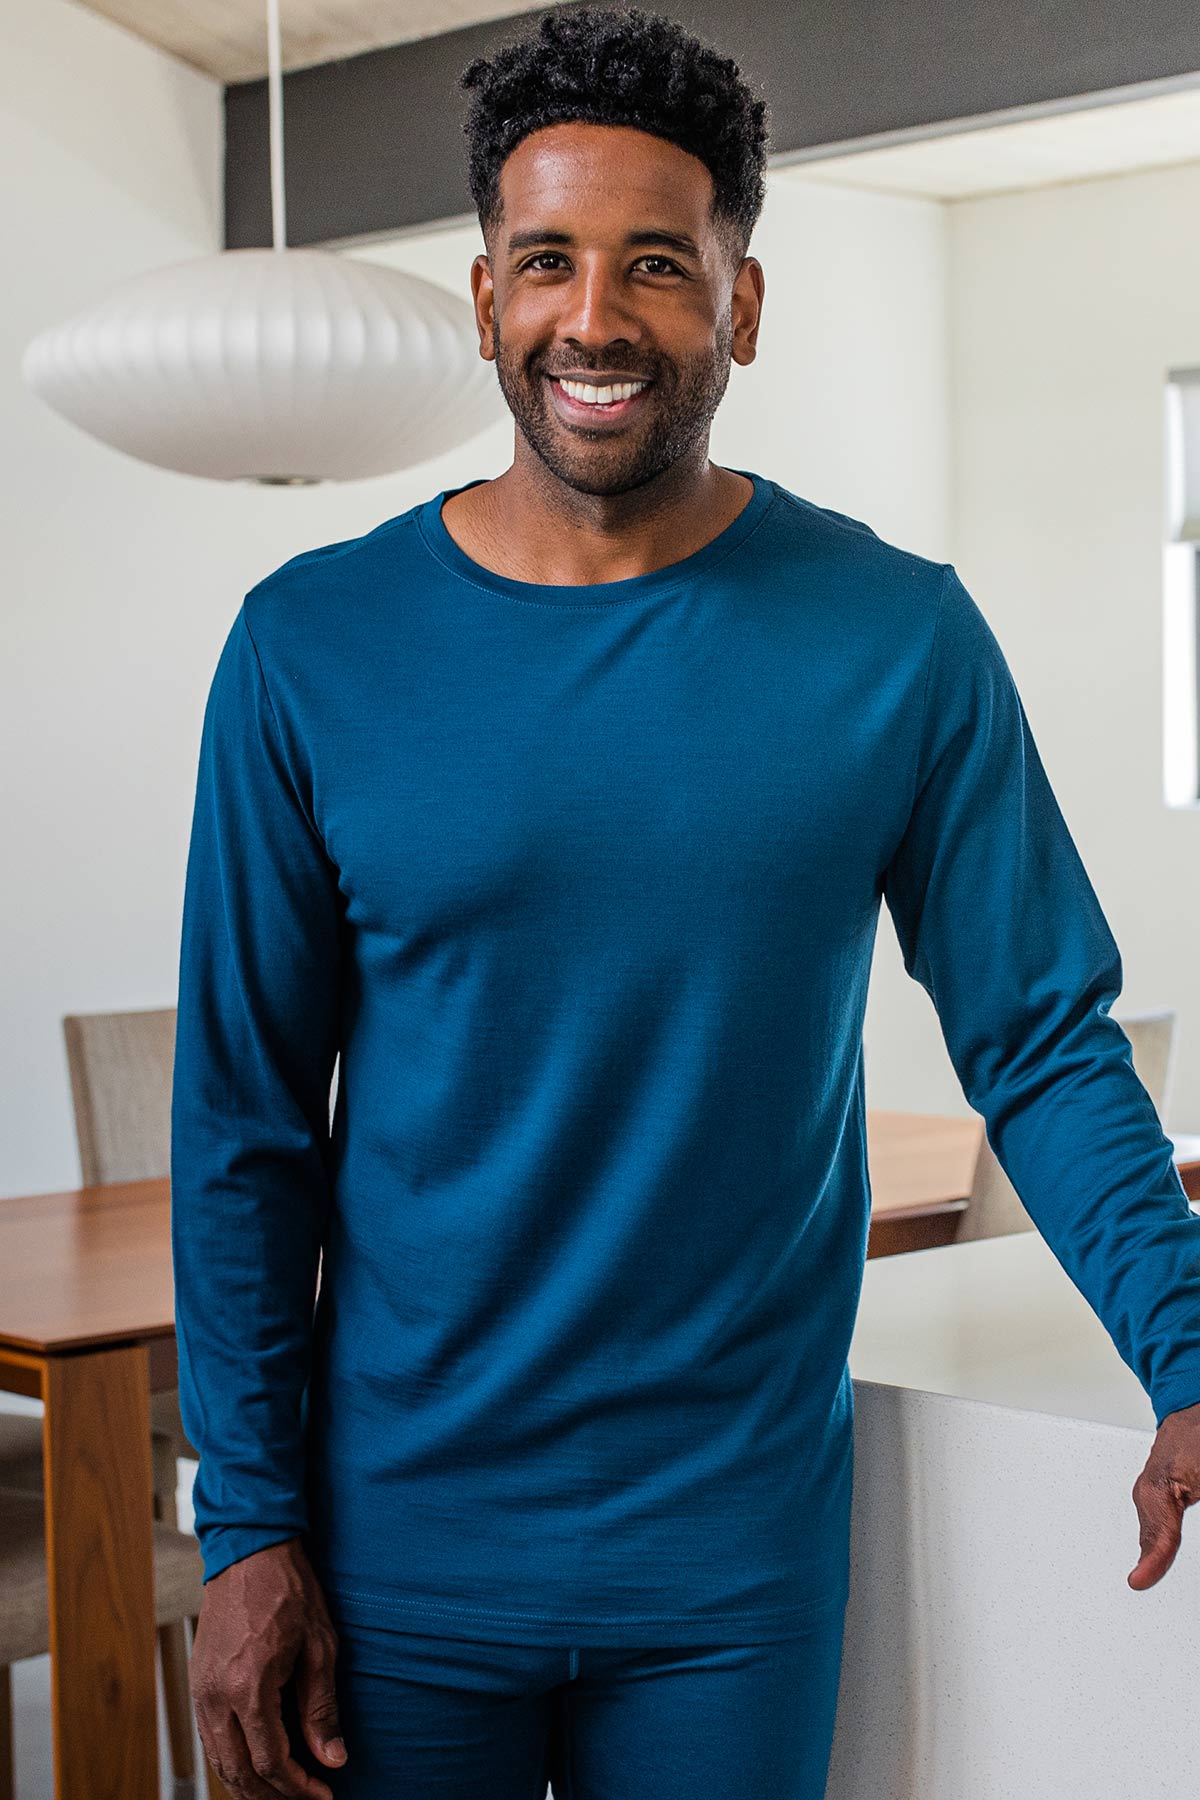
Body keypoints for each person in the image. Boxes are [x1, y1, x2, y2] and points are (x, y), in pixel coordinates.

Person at [170, 7, 1200, 1798]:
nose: (596, 317)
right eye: (548, 262)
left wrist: (1189, 1350)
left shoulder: (900, 642)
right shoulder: (307, 648)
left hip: (734, 1555)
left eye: (659, 263)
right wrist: (242, 1522)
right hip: (398, 1551)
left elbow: (1038, 1038)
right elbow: (245, 1123)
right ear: (486, 300)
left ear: (739, 303)